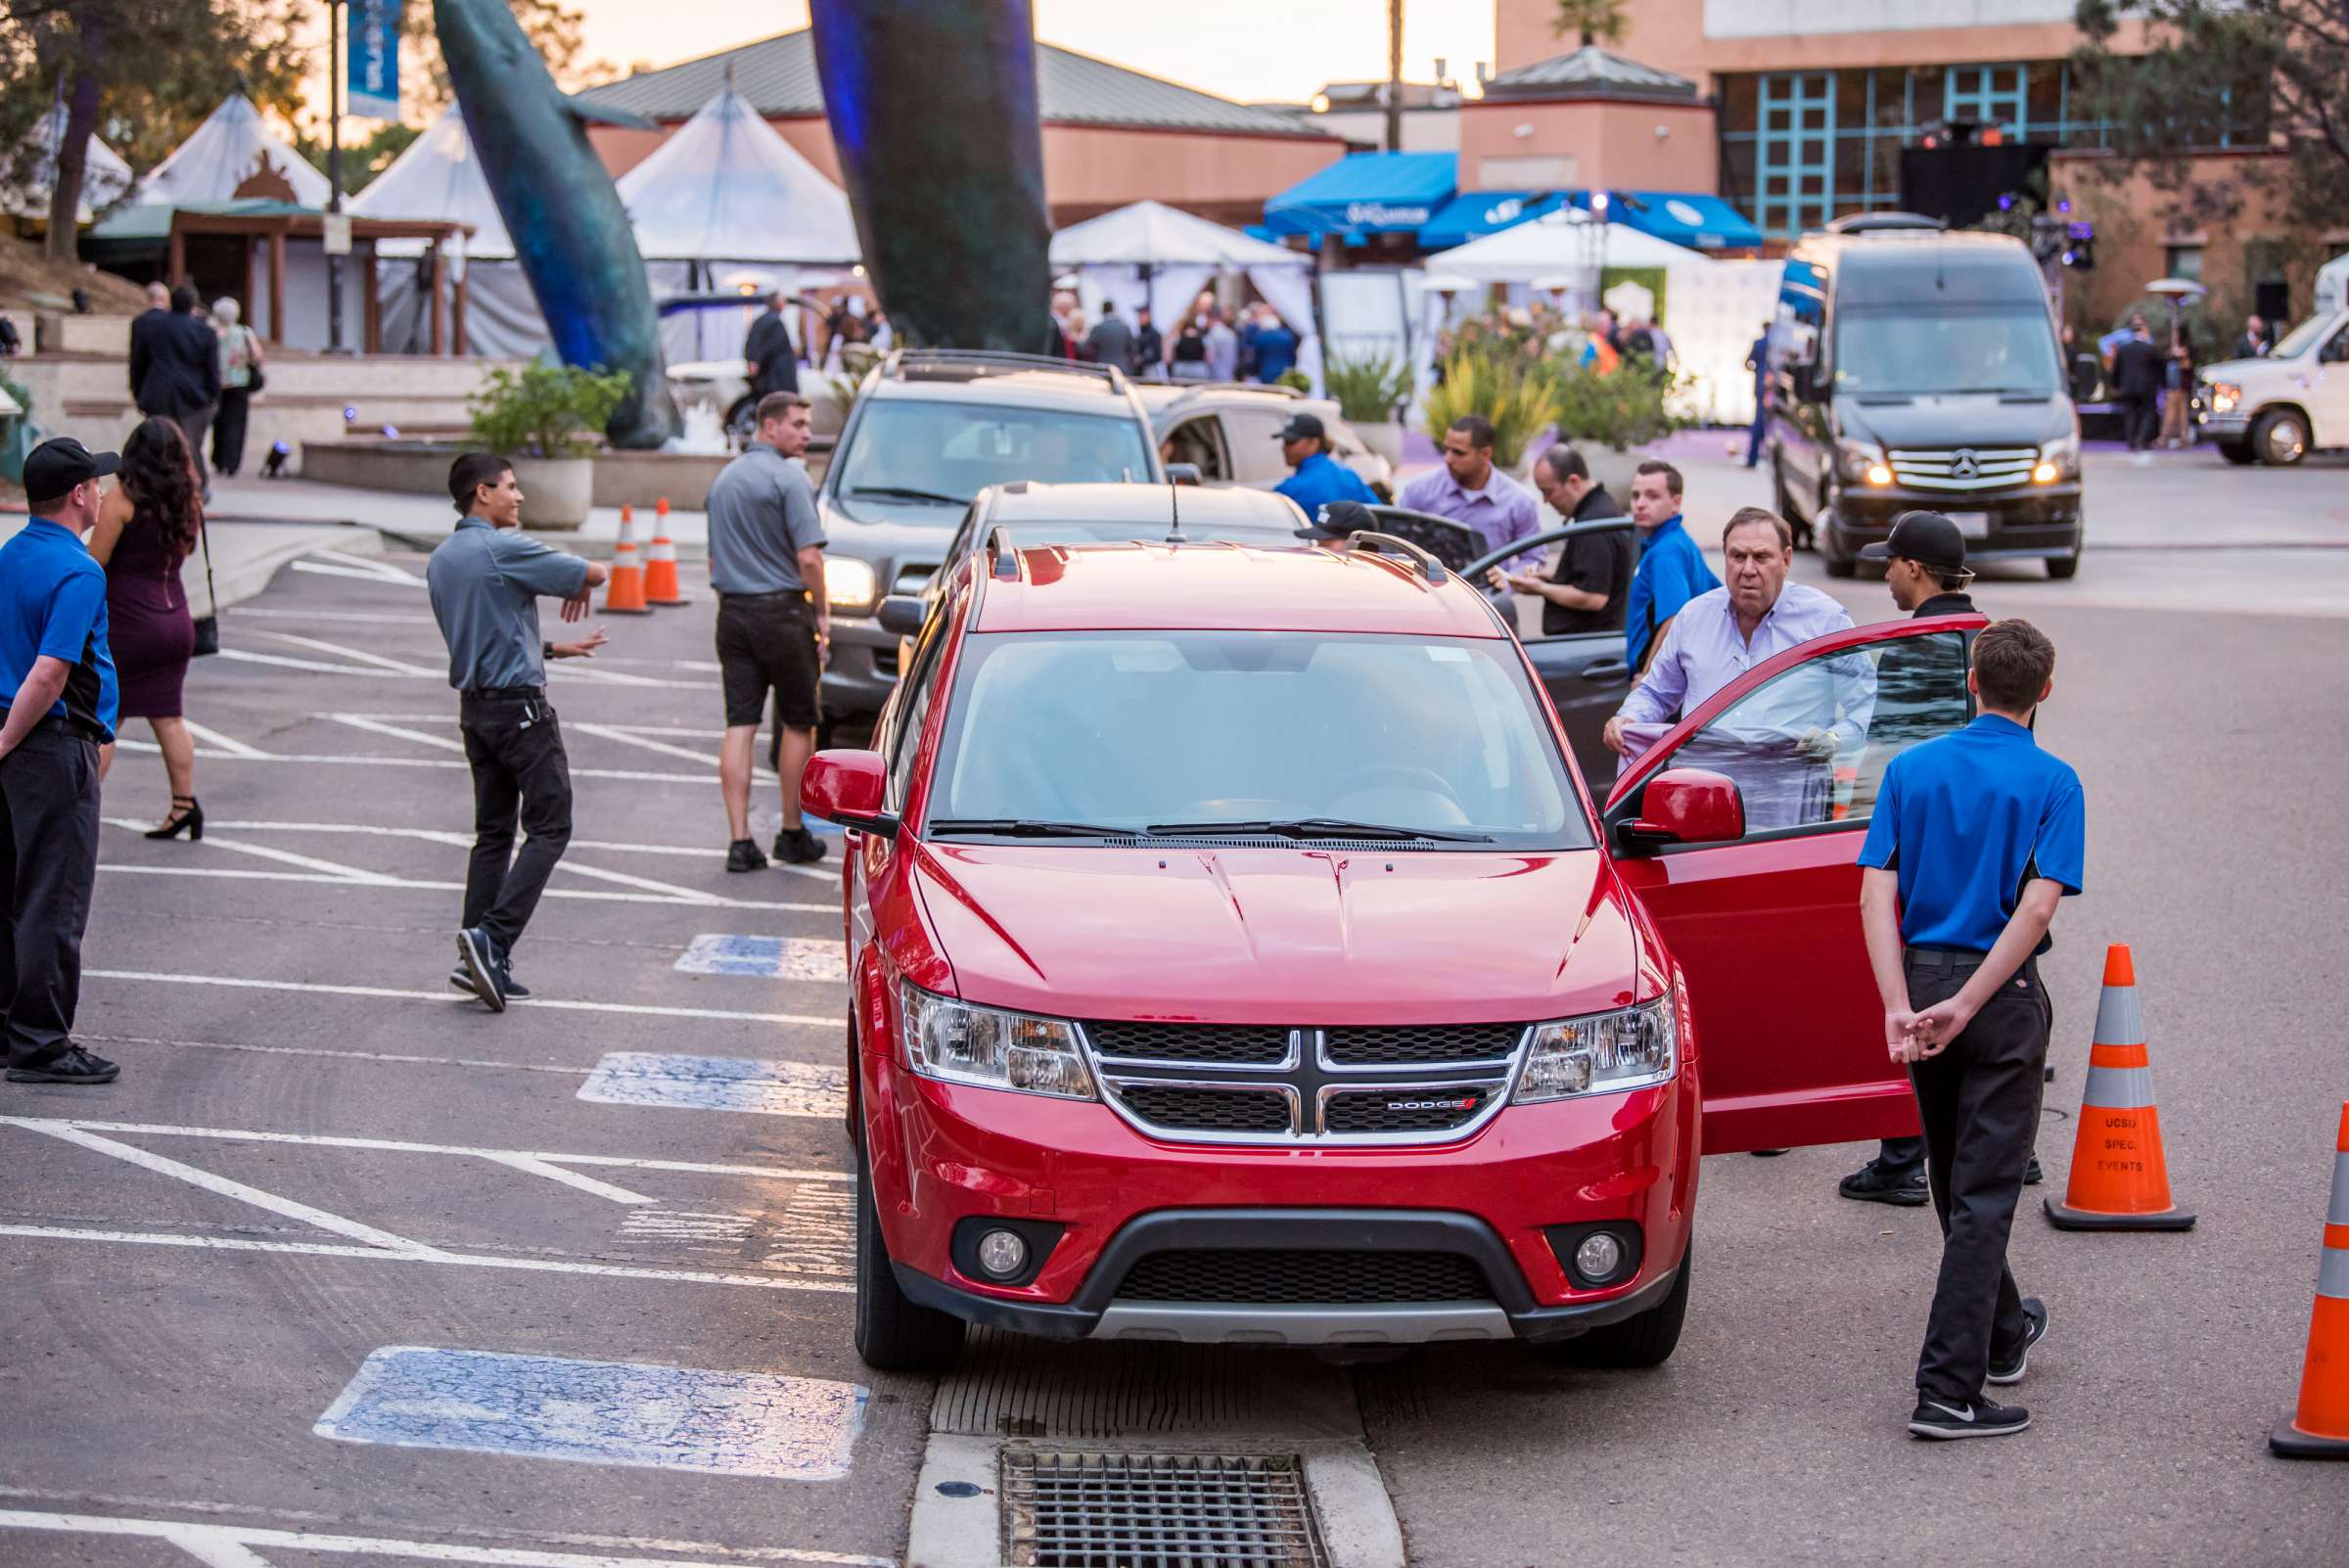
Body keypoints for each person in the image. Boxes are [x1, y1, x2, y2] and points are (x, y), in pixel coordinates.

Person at [1858, 618, 2080, 1441]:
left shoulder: (1912, 770)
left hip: (1921, 982)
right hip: (2001, 995)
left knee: (1957, 1181)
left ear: (1971, 682)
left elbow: (1875, 894)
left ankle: (2002, 1331)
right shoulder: (2056, 781)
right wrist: (1977, 998)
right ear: (2045, 692)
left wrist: (1898, 1000)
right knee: (1983, 1193)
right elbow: (2039, 905)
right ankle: (1948, 1391)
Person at [427, 453, 609, 1011]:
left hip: (475, 711)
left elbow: (485, 630)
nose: (519, 497)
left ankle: (477, 958)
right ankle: (494, 937)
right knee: (552, 826)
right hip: (521, 713)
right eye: (509, 487)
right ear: (481, 493)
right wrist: (578, 581)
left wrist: (551, 647)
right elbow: (595, 573)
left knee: (494, 834)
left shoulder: (443, 559)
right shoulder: (500, 549)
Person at [0, 438, 122, 1085]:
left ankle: (6, 1027)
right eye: (97, 484)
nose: (103, 493)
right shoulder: (79, 571)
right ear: (79, 494)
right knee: (53, 894)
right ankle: (42, 1042)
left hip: (8, 730)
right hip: (47, 743)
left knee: (9, 889)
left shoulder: (10, 555)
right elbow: (50, 673)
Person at [1604, 509, 1860, 818]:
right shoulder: (1694, 617)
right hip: (1702, 808)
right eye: (1738, 557)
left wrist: (1833, 740)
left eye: (1761, 557)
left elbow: (1866, 706)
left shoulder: (1825, 621)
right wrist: (1629, 718)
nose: (1748, 570)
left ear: (1787, 560)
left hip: (1788, 813)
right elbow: (1656, 693)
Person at [705, 392, 830, 873]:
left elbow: (715, 559)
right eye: (797, 424)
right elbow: (809, 558)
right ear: (769, 426)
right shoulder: (789, 479)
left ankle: (740, 841)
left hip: (733, 613)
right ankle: (792, 832)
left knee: (740, 723)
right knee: (798, 720)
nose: (805, 433)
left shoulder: (725, 480)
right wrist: (821, 613)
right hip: (781, 613)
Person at [88, 417, 204, 840]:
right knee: (169, 717)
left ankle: (82, 809)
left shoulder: (122, 500)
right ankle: (184, 806)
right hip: (176, 618)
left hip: (130, 623)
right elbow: (186, 550)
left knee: (105, 720)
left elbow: (93, 562)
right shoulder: (189, 501)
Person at [1489, 443, 1633, 636]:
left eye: (1549, 492)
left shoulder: (1593, 525)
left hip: (1587, 642)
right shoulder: (1600, 510)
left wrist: (1541, 588)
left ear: (1573, 481)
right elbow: (1588, 576)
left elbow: (1594, 597)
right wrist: (1549, 578)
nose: (1546, 501)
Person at [1399, 414, 1543, 573]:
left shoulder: (1519, 501)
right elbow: (1394, 544)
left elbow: (1533, 559)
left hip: (1487, 594)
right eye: (1446, 449)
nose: (1448, 458)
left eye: (1458, 453)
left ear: (1486, 454)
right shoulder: (1419, 489)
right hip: (1428, 588)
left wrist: (1507, 579)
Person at [1615, 460, 1720, 677]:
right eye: (1636, 496)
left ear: (1676, 503)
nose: (1640, 504)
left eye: (1652, 496)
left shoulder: (1665, 552)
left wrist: (1647, 678)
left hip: (1668, 686)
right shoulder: (1680, 542)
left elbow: (1674, 619)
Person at [128, 286, 221, 495]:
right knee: (191, 445)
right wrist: (212, 397)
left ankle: (157, 487)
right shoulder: (205, 331)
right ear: (193, 305)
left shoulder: (152, 327)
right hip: (195, 397)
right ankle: (195, 488)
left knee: (159, 444)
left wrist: (138, 391)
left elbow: (139, 362)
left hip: (159, 393)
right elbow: (213, 370)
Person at [1271, 412, 1377, 518]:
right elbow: (1378, 513)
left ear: (1314, 443)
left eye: (1291, 442)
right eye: (1285, 442)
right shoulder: (1349, 475)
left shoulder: (1289, 490)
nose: (1284, 448)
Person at [211, 298, 262, 479]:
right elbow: (257, 355)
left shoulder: (214, 333)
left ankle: (218, 459)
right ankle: (232, 462)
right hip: (239, 383)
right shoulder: (244, 332)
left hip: (218, 384)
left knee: (219, 423)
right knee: (236, 423)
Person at [2109, 316, 2163, 458]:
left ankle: (2131, 441)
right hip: (2146, 389)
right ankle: (2142, 438)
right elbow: (2161, 365)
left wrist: (2115, 385)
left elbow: (2116, 369)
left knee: (2130, 414)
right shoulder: (2150, 349)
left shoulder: (2124, 349)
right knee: (2148, 413)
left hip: (2128, 388)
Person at [743, 291, 801, 401]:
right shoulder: (775, 322)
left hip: (766, 380)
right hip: (778, 379)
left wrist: (753, 361)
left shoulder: (759, 320)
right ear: (776, 303)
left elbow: (751, 344)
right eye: (782, 300)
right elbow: (772, 347)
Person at [1744, 324, 1772, 468]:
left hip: (1761, 387)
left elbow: (1747, 363)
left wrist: (1757, 370)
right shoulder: (1776, 344)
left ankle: (1752, 459)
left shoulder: (1759, 343)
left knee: (1758, 422)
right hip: (1772, 390)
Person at [2159, 336, 2193, 448]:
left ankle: (2184, 439)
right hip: (2172, 390)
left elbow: (2188, 368)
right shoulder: (2170, 359)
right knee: (2170, 415)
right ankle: (2164, 438)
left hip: (2182, 390)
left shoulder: (2186, 360)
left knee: (2182, 416)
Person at [1083, 299, 1133, 372]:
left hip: (1104, 368)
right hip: (1122, 368)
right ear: (1114, 310)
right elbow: (1131, 349)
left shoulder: (1099, 328)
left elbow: (1087, 347)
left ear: (1102, 311)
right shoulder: (1125, 328)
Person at [1251, 307, 1299, 385]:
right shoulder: (1287, 336)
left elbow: (1257, 356)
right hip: (1285, 370)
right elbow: (1292, 354)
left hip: (1266, 371)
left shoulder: (1261, 337)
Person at [1204, 307, 1239, 383]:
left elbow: (1210, 358)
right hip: (1228, 374)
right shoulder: (1230, 333)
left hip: (1215, 376)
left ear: (1210, 318)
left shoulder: (1212, 334)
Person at [1132, 305, 1164, 380]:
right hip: (1141, 370)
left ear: (1148, 316)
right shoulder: (1140, 332)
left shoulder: (1153, 334)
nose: (1139, 318)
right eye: (1139, 316)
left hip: (1150, 369)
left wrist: (1142, 359)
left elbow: (1156, 355)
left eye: (1142, 315)